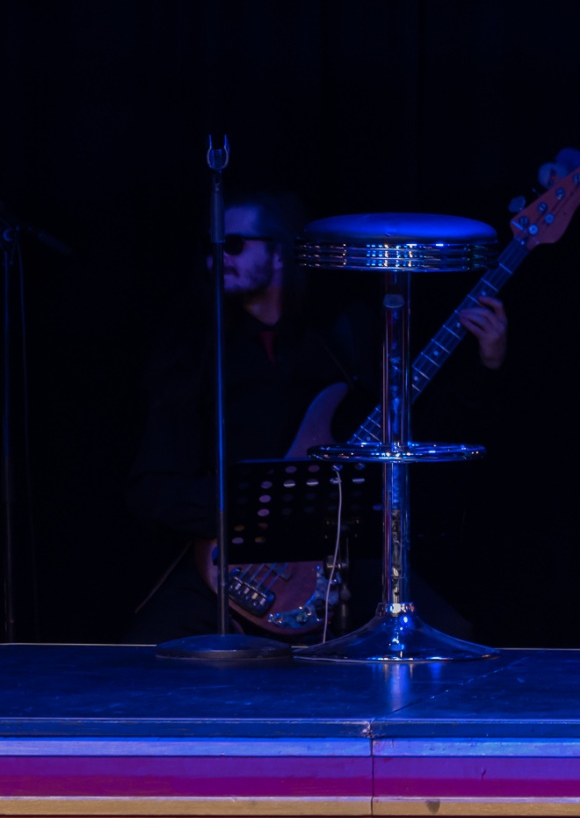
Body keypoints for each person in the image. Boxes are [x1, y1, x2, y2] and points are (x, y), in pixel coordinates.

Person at [126, 190, 507, 643]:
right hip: (226, 561)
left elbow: (414, 428)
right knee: (145, 652)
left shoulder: (342, 334)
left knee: (449, 638)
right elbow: (152, 488)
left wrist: (487, 364)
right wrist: (247, 512)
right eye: (211, 247)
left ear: (279, 253)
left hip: (336, 558)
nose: (218, 258)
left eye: (234, 245)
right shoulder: (192, 353)